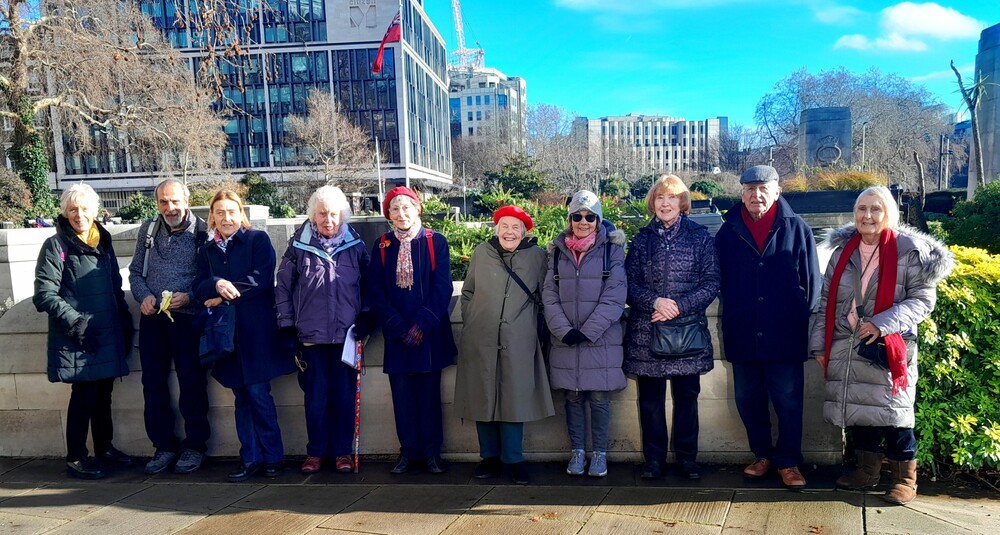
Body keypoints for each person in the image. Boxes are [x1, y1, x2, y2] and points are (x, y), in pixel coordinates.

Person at [810, 186, 953, 506]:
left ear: (890, 214)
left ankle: (905, 479)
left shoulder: (909, 251)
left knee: (895, 415)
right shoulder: (841, 252)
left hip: (887, 345)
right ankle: (866, 472)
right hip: (847, 345)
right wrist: (820, 346)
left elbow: (923, 300)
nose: (868, 215)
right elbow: (825, 303)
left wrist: (881, 322)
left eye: (876, 209)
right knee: (859, 412)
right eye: (862, 209)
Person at [715, 165, 820, 489]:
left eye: (763, 188)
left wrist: (798, 319)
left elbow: (812, 283)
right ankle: (762, 455)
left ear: (776, 191)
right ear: (741, 193)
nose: (756, 195)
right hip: (743, 330)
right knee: (749, 399)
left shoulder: (796, 228)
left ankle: (788, 462)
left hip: (784, 332)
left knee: (788, 401)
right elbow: (719, 280)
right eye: (749, 189)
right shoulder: (727, 231)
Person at [194, 190, 296, 482]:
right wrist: (216, 284)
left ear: (241, 214)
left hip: (256, 333)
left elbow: (262, 279)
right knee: (240, 396)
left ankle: (274, 457)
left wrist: (225, 293)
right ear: (212, 216)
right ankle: (250, 458)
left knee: (258, 394)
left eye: (232, 212)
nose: (226, 218)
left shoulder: (257, 240)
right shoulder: (206, 249)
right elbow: (199, 286)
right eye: (220, 212)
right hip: (226, 336)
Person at [33, 183, 133, 479]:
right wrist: (76, 321)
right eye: (73, 209)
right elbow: (44, 294)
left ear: (95, 210)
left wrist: (124, 321)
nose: (79, 215)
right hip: (78, 334)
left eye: (85, 208)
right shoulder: (56, 245)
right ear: (65, 212)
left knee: (104, 393)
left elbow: (115, 286)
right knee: (84, 395)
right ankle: (76, 456)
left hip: (106, 331)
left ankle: (105, 449)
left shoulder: (103, 241)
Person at [624, 175, 720, 481]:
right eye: (660, 198)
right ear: (653, 202)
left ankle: (687, 459)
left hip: (687, 333)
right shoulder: (641, 239)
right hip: (647, 334)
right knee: (650, 402)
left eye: (672, 197)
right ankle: (654, 460)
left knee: (686, 400)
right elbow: (628, 284)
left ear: (682, 202)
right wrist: (655, 302)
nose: (665, 204)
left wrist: (678, 306)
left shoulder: (701, 237)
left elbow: (712, 282)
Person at [455, 205, 554, 485]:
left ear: (523, 232)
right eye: (504, 226)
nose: (509, 232)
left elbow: (546, 294)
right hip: (480, 337)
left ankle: (514, 459)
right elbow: (469, 291)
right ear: (496, 229)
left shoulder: (537, 257)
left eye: (515, 228)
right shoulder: (481, 253)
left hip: (518, 340)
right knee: (482, 396)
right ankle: (489, 457)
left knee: (514, 398)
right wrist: (472, 318)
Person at [275, 185, 370, 475]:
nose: (328, 219)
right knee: (315, 398)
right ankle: (315, 452)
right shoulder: (297, 248)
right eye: (322, 214)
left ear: (342, 216)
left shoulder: (356, 247)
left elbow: (369, 286)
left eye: (333, 214)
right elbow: (283, 287)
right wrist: (286, 326)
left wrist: (367, 315)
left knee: (343, 397)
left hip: (347, 337)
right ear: (313, 216)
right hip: (311, 337)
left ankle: (342, 452)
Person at [367, 186, 456, 475]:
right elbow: (376, 290)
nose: (401, 213)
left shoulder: (435, 241)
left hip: (428, 333)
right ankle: (408, 451)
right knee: (402, 396)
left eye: (406, 207)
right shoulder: (382, 245)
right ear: (388, 214)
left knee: (429, 396)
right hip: (397, 334)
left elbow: (443, 288)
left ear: (417, 209)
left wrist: (421, 324)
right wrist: (398, 324)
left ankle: (432, 452)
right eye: (395, 208)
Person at [542, 191, 627, 478]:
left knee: (600, 400)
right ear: (569, 219)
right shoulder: (556, 251)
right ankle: (578, 451)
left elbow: (616, 295)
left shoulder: (611, 250)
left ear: (598, 219)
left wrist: (587, 332)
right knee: (573, 399)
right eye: (577, 216)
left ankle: (599, 454)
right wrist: (564, 330)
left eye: (590, 216)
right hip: (565, 340)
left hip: (600, 340)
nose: (583, 221)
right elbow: (548, 294)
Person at [128, 179, 211, 475]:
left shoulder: (203, 232)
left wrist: (189, 296)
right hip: (153, 318)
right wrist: (144, 296)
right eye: (163, 202)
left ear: (186, 200)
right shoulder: (149, 230)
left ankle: (195, 446)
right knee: (152, 384)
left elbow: (210, 279)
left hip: (187, 318)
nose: (170, 207)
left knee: (191, 383)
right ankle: (163, 445)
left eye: (174, 201)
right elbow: (136, 272)